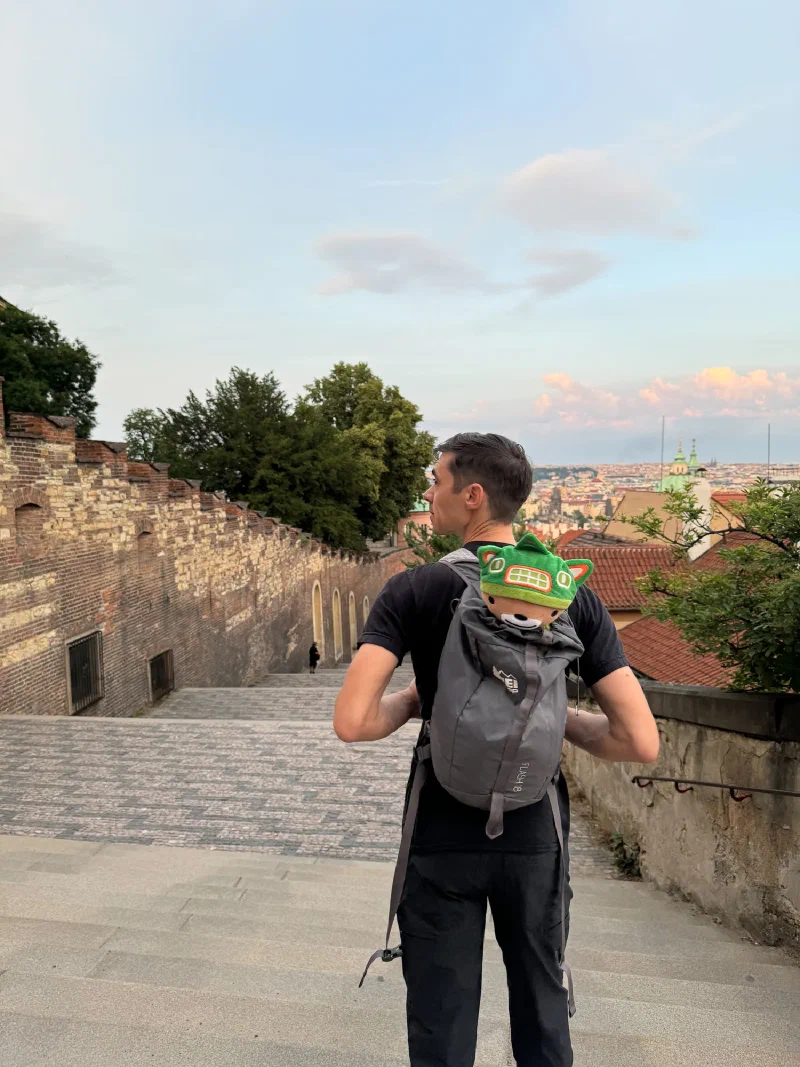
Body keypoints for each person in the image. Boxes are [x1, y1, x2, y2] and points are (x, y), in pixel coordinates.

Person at [334, 433, 659, 1067]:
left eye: (436, 480)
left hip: (441, 828)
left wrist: (414, 700)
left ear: (473, 495)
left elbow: (353, 721)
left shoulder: (416, 588)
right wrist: (553, 720)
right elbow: (638, 740)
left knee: (442, 1023)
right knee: (541, 1013)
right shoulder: (571, 597)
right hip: (533, 830)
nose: (428, 492)